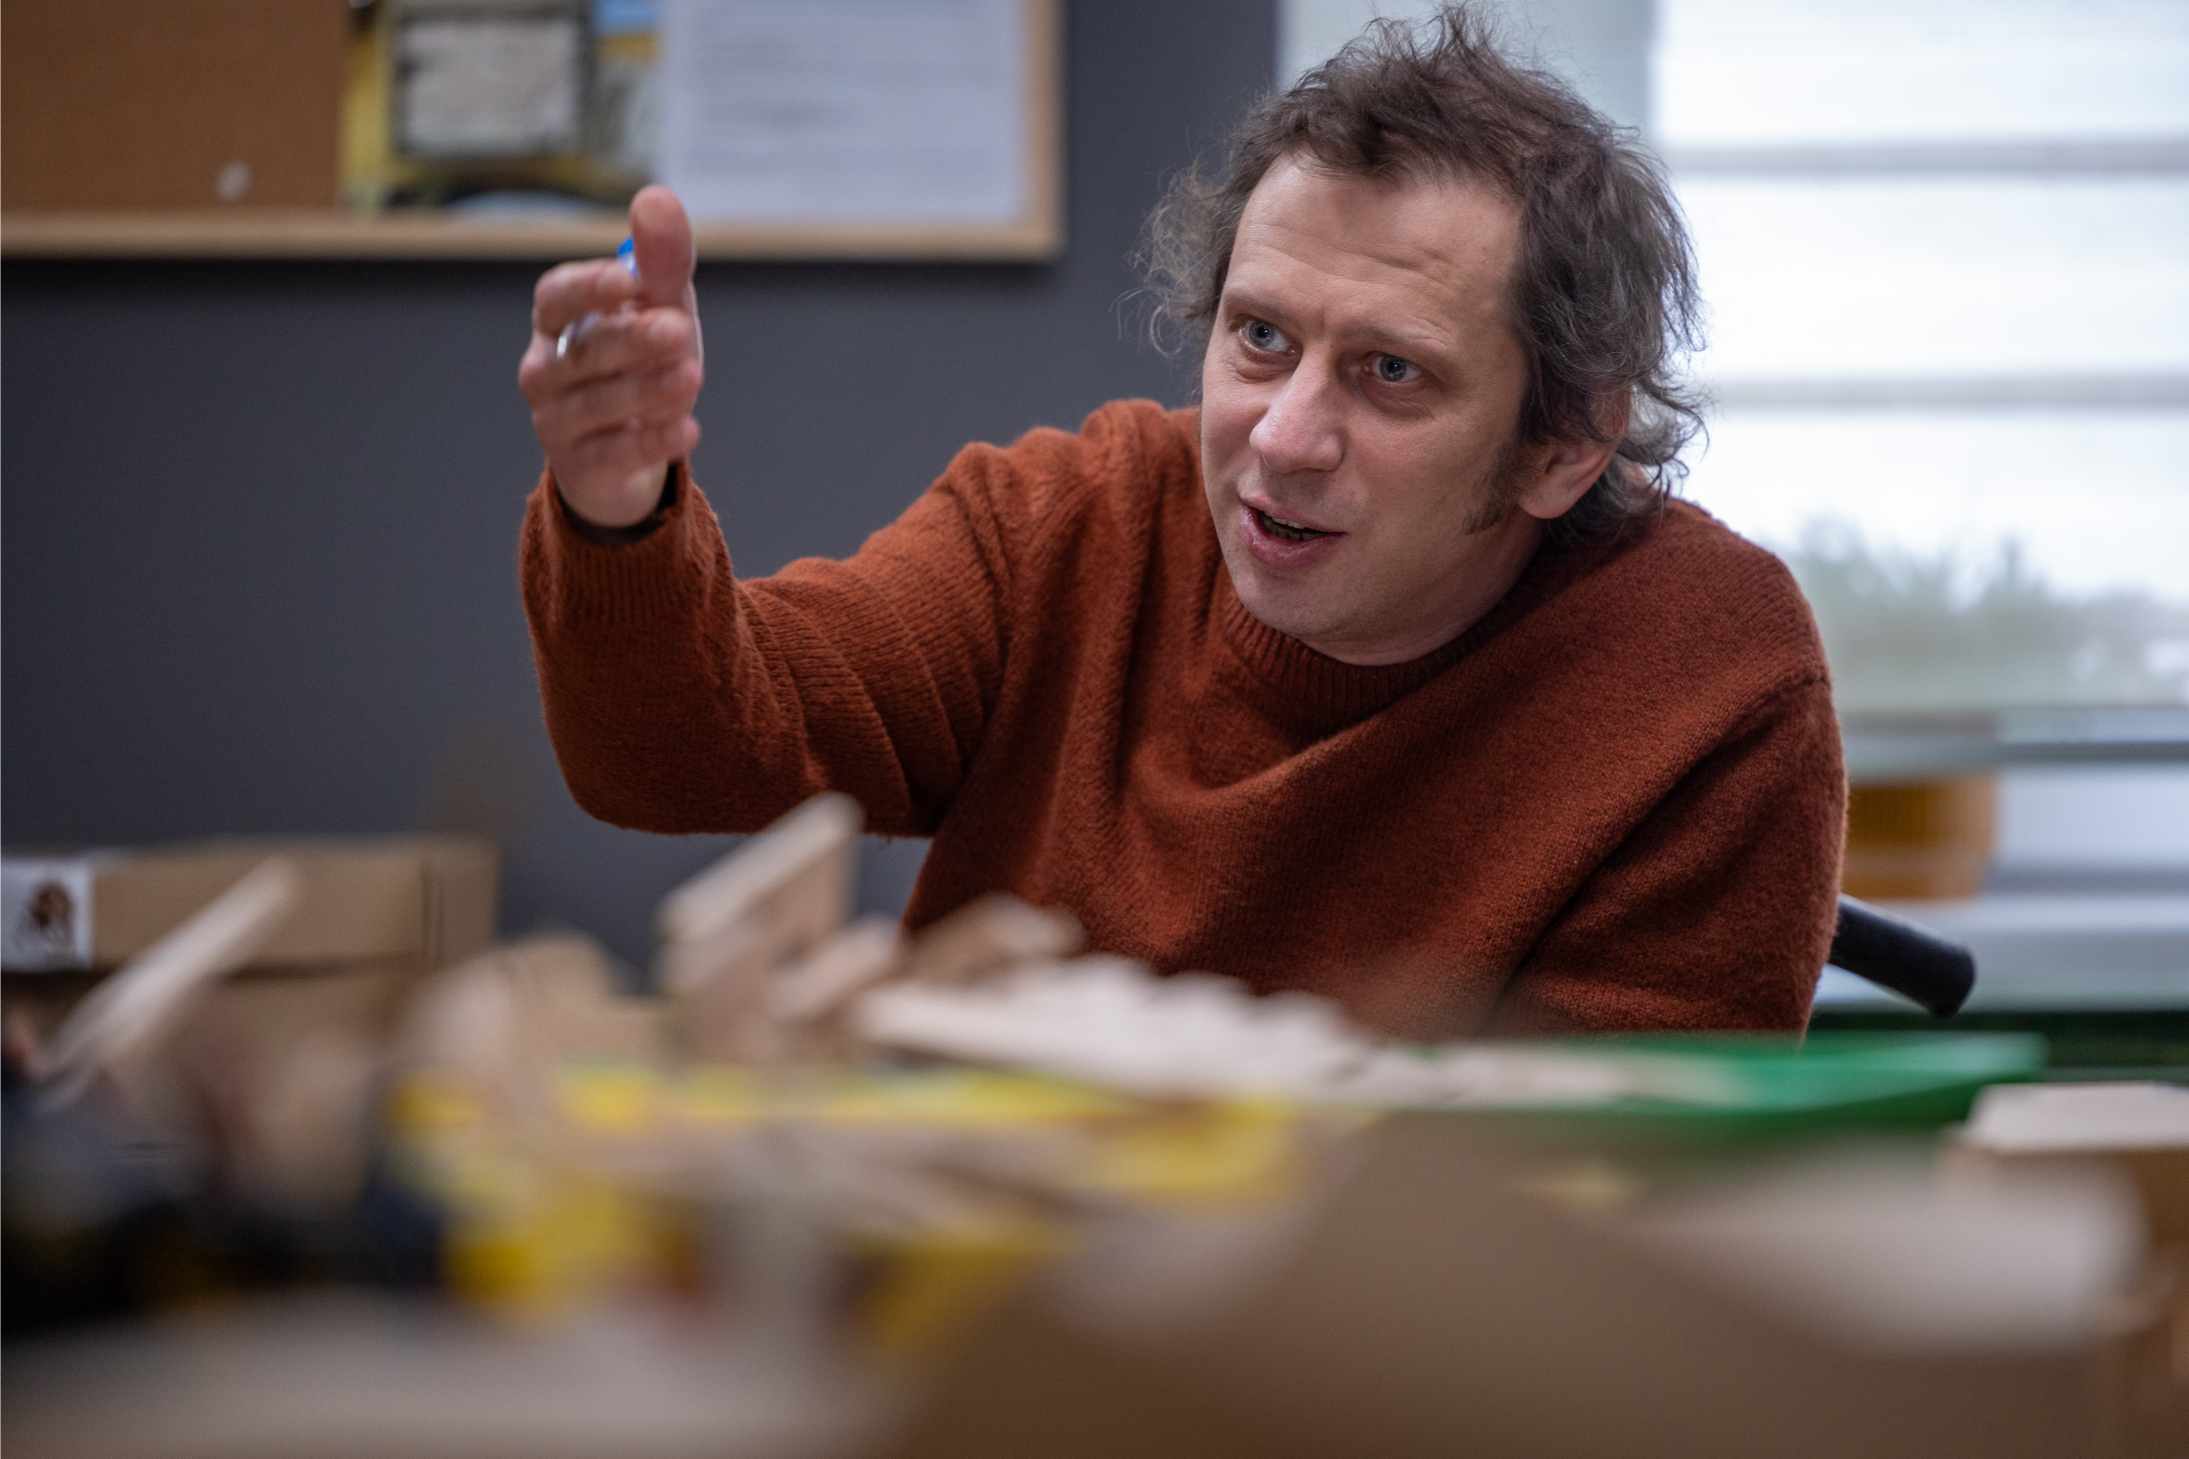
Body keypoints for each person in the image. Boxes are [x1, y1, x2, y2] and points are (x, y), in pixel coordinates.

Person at [515, 7, 1844, 1038]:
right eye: (1259, 338)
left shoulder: (1704, 674)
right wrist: (618, 506)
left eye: (1390, 372)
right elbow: (678, 757)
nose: (1282, 438)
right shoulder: (1069, 523)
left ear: (1565, 445)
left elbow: (1607, 1194)